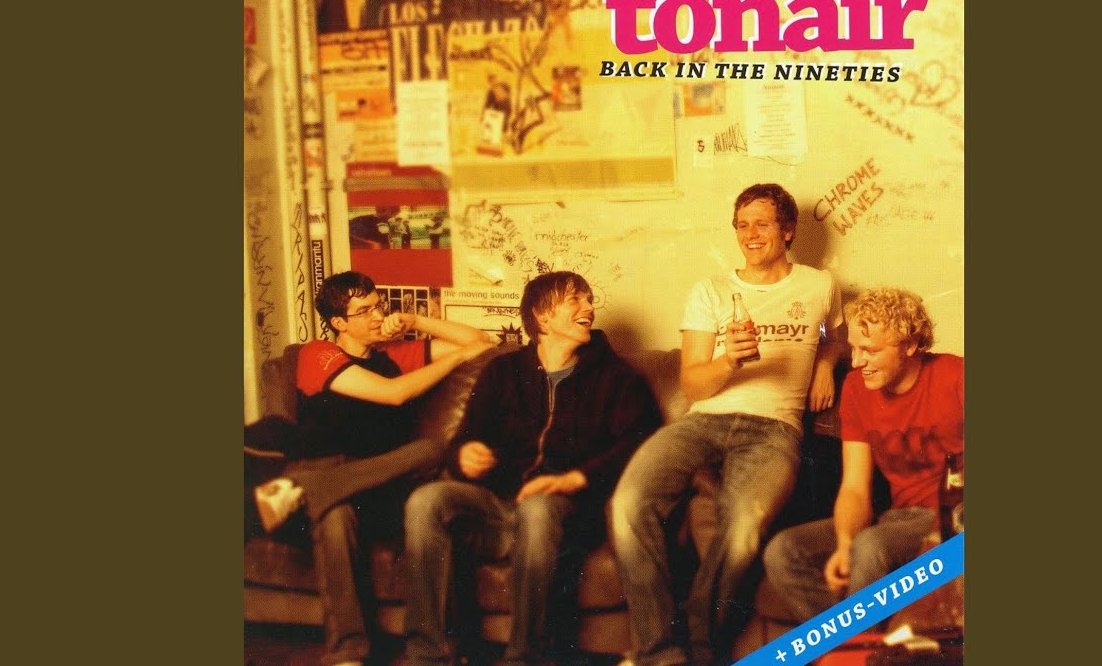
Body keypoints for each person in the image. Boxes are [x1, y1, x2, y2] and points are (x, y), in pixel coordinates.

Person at [610, 183, 846, 666]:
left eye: (762, 223)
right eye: (742, 225)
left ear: (788, 230)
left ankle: (698, 647)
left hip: (774, 430)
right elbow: (692, 384)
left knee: (743, 526)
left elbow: (832, 335)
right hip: (703, 422)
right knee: (627, 504)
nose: (750, 234)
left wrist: (825, 364)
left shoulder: (819, 285)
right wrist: (729, 362)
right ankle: (660, 652)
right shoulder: (711, 290)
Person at [402, 271, 663, 666]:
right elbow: (464, 438)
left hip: (565, 511)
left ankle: (525, 657)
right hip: (498, 506)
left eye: (589, 299)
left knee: (538, 508)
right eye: (575, 300)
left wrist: (577, 477)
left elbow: (641, 443)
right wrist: (465, 455)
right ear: (543, 317)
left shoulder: (616, 378)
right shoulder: (502, 371)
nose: (589, 308)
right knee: (426, 501)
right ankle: (428, 656)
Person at [252, 271, 496, 666]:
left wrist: (415, 320)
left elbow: (481, 342)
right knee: (335, 515)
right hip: (326, 468)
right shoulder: (317, 354)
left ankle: (302, 490)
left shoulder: (395, 356)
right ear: (339, 323)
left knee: (431, 449)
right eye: (364, 311)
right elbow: (393, 394)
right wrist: (455, 357)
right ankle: (347, 654)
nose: (377, 316)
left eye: (378, 306)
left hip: (379, 486)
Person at [762, 288, 963, 624]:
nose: (856, 362)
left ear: (910, 345)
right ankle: (861, 642)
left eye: (869, 350)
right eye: (853, 348)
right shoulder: (856, 388)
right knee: (784, 550)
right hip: (897, 518)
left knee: (870, 545)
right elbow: (855, 488)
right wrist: (844, 545)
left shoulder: (955, 377)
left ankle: (861, 642)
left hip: (952, 521)